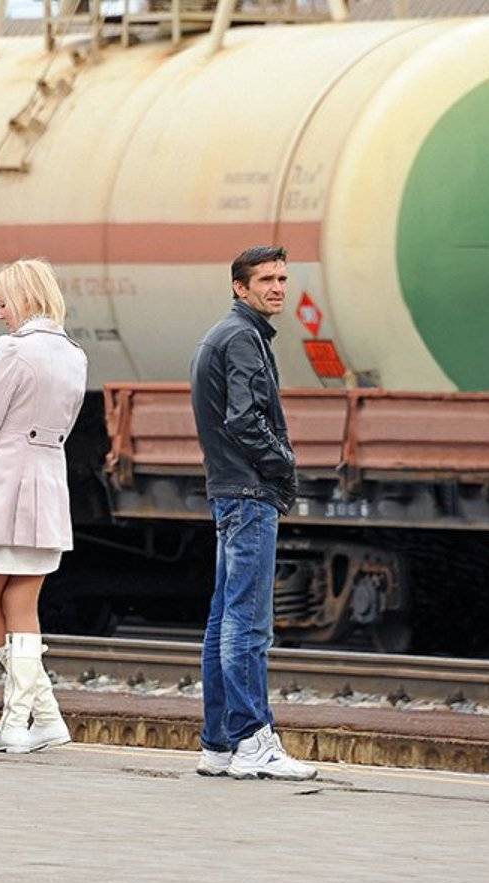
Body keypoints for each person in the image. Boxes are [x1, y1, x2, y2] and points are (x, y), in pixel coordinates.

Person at [188, 246, 318, 781]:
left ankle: (219, 744)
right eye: (266, 280)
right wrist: (283, 463)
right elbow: (244, 419)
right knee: (248, 624)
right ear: (239, 287)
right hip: (249, 493)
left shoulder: (226, 335)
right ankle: (253, 740)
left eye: (282, 278)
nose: (278, 288)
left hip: (230, 490)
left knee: (224, 619)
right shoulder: (242, 338)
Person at [0, 258, 87, 753]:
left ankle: (19, 722)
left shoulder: (10, 350)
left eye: (2, 303)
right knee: (21, 603)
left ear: (25, 297)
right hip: (48, 489)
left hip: (2, 487)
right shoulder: (74, 355)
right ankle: (42, 720)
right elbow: (66, 425)